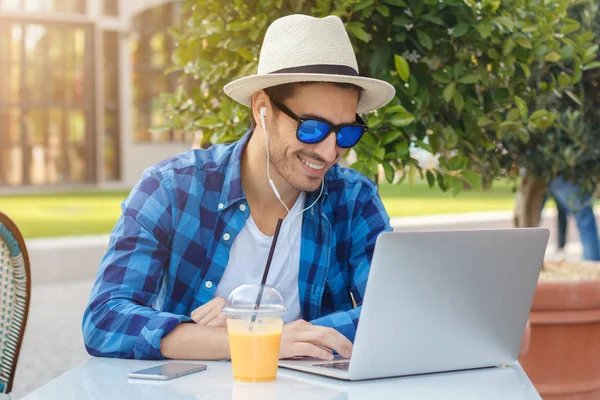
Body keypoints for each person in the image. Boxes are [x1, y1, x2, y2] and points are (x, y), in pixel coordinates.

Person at [82, 14, 396, 361]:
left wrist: (281, 338)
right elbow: (105, 318)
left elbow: (392, 310)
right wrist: (255, 340)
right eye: (312, 128)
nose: (328, 151)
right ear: (262, 108)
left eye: (347, 132)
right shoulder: (171, 189)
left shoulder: (355, 200)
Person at [542, 177, 600, 261]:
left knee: (527, 224)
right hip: (562, 173)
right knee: (585, 219)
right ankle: (593, 264)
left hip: (537, 171)